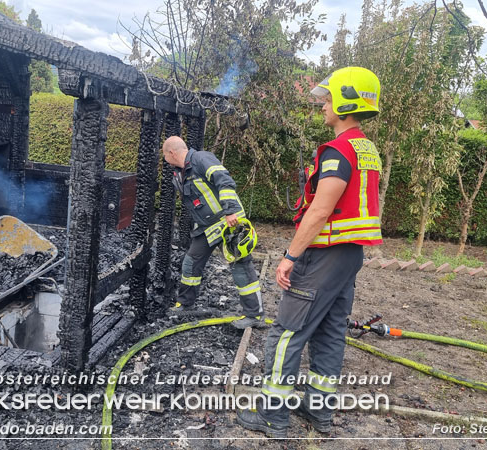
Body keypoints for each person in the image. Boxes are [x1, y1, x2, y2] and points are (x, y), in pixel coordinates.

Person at [236, 66, 383, 437]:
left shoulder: (338, 151)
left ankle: (273, 415)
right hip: (349, 257)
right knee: (330, 332)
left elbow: (320, 210)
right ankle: (319, 411)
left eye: (329, 99)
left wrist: (290, 256)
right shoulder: (366, 148)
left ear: (346, 102)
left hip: (324, 255)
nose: (323, 106)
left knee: (286, 332)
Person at [162, 136, 265, 329]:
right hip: (207, 227)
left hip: (229, 222)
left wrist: (230, 211)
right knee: (191, 263)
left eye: (165, 156)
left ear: (172, 153)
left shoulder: (201, 159)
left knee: (240, 266)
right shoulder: (180, 173)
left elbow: (224, 181)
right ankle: (185, 304)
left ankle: (255, 315)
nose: (165, 161)